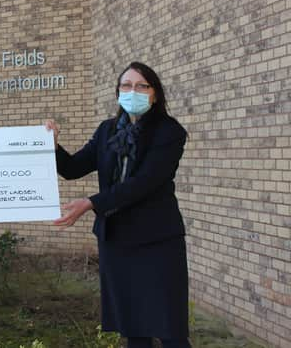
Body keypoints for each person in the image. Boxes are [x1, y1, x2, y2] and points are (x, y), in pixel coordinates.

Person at [46, 61, 190, 348]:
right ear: (118, 92)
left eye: (141, 86)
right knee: (133, 326)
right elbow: (73, 168)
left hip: (157, 240)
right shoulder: (107, 131)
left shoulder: (169, 132)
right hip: (117, 241)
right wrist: (53, 146)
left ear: (155, 94)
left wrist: (91, 203)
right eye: (126, 85)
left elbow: (145, 183)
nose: (132, 91)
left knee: (170, 328)